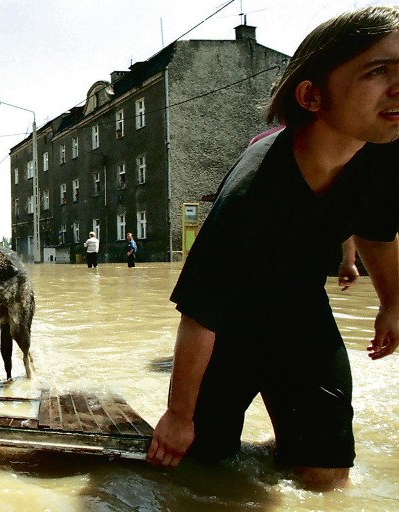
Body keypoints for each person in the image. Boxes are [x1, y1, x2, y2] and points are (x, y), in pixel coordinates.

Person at [146, 6, 399, 491]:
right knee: (203, 469)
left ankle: (292, 438)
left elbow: (377, 230)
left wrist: (391, 303)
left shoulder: (385, 152)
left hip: (302, 311)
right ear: (312, 95)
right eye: (378, 71)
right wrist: (179, 414)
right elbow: (200, 313)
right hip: (229, 327)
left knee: (325, 477)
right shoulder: (252, 189)